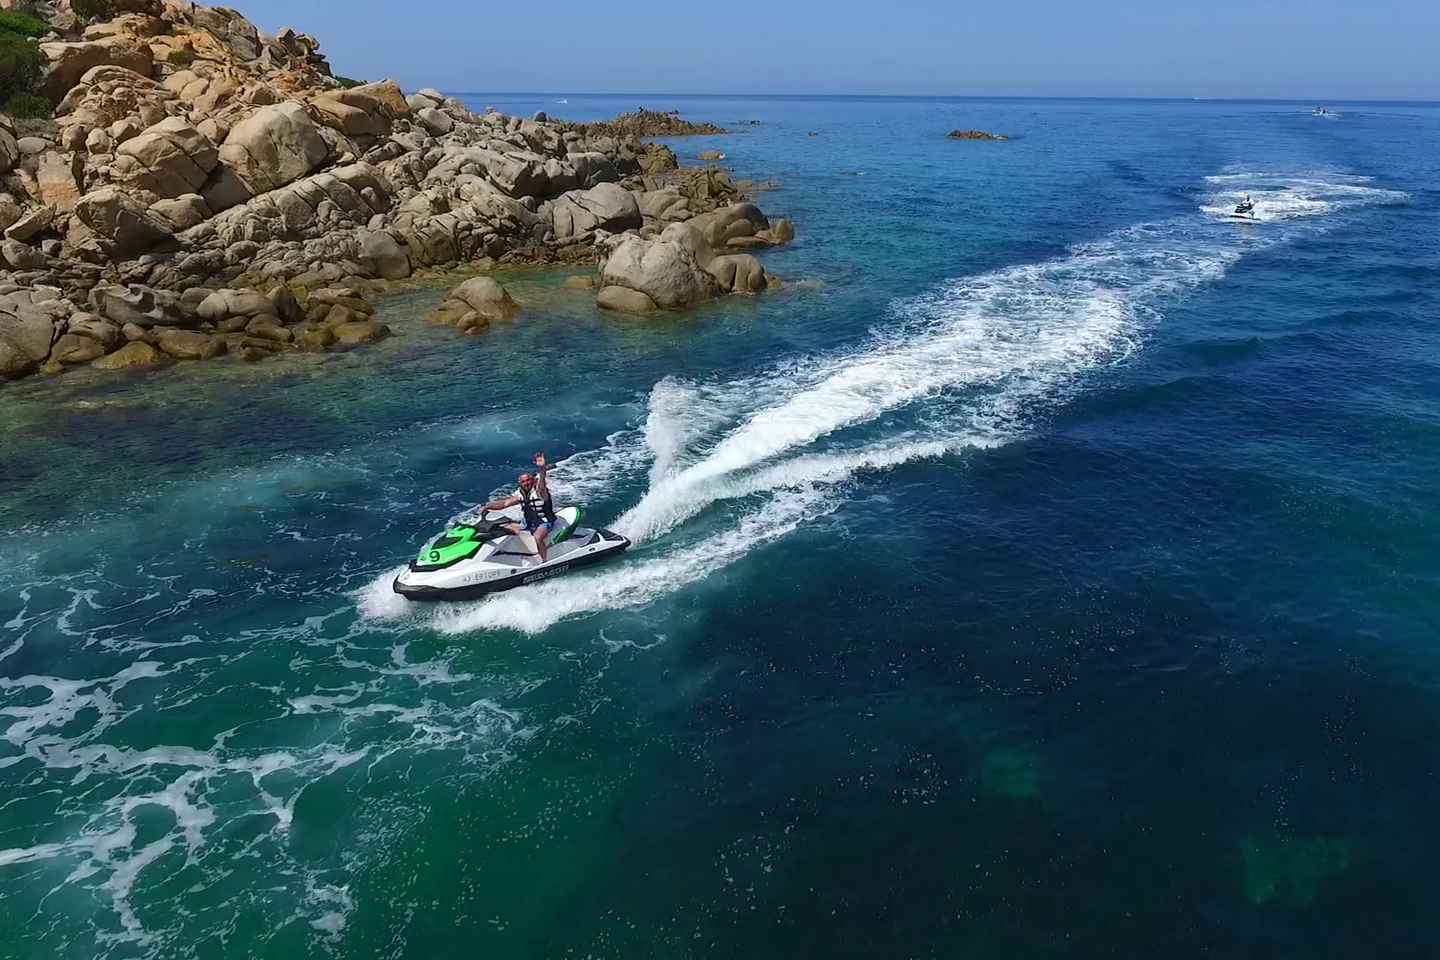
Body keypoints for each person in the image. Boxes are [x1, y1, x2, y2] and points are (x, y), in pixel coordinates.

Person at [481, 453, 558, 563]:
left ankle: (544, 561)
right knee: (502, 526)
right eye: (523, 481)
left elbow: (542, 479)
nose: (526, 483)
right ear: (520, 483)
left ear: (533, 481)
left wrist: (541, 468)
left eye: (528, 480)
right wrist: (488, 506)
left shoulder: (540, 491)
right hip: (529, 522)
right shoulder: (521, 495)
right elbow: (505, 503)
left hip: (544, 522)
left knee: (537, 536)